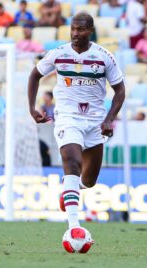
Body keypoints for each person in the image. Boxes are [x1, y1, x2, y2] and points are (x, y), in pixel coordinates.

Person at [28, 13, 125, 234]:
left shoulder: (104, 57)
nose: (75, 34)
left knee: (89, 180)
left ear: (90, 31)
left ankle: (71, 190)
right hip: (68, 117)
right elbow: (34, 75)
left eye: (80, 30)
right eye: (72, 29)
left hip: (95, 121)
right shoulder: (59, 53)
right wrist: (32, 108)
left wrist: (109, 119)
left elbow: (120, 90)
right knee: (71, 162)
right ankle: (74, 228)